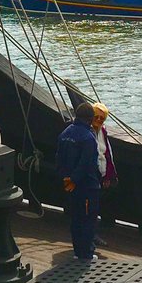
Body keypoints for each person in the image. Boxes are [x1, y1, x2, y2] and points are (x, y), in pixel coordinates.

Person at [57, 102, 101, 261]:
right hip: (87, 185)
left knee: (75, 218)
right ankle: (86, 253)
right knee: (88, 219)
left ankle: (77, 251)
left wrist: (66, 179)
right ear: (90, 119)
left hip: (69, 185)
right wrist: (75, 179)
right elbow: (87, 163)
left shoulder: (65, 133)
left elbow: (59, 159)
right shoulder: (88, 137)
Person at [92, 103, 117, 245]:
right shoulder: (88, 132)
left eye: (102, 118)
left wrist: (108, 175)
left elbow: (107, 153)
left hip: (100, 174)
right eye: (97, 117)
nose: (99, 120)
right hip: (90, 175)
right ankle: (90, 236)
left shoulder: (103, 131)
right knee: (90, 208)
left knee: (97, 206)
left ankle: (93, 235)